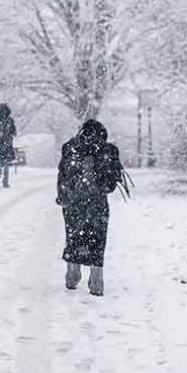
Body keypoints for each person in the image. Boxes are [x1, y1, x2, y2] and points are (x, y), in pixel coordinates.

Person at [56, 119, 125, 296]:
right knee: (97, 239)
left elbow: (62, 174)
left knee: (74, 236)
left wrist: (62, 196)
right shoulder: (108, 150)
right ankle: (96, 280)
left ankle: (73, 273)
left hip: (74, 202)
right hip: (98, 203)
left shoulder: (70, 148)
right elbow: (112, 183)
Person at [0, 103, 17, 188]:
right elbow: (14, 132)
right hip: (7, 144)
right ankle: (5, 182)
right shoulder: (10, 120)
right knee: (6, 164)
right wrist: (9, 136)